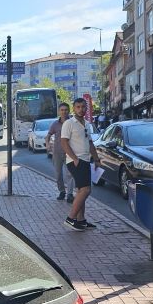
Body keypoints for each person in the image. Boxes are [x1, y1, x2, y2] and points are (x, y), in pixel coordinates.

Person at [61, 98, 101, 231]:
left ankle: (81, 221)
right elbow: (64, 143)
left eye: (83, 107)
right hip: (76, 161)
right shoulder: (69, 123)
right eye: (78, 107)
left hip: (86, 160)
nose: (81, 109)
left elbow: (90, 143)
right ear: (74, 108)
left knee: (80, 191)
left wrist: (96, 159)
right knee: (86, 190)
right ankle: (70, 218)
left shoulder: (87, 124)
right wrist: (75, 159)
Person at [48, 102, 75, 202]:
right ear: (59, 111)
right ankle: (62, 191)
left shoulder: (73, 123)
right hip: (57, 153)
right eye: (62, 110)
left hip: (69, 152)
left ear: (69, 111)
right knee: (58, 174)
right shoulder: (55, 124)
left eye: (66, 110)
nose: (64, 112)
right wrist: (47, 144)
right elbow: (48, 135)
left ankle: (70, 194)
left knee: (70, 174)